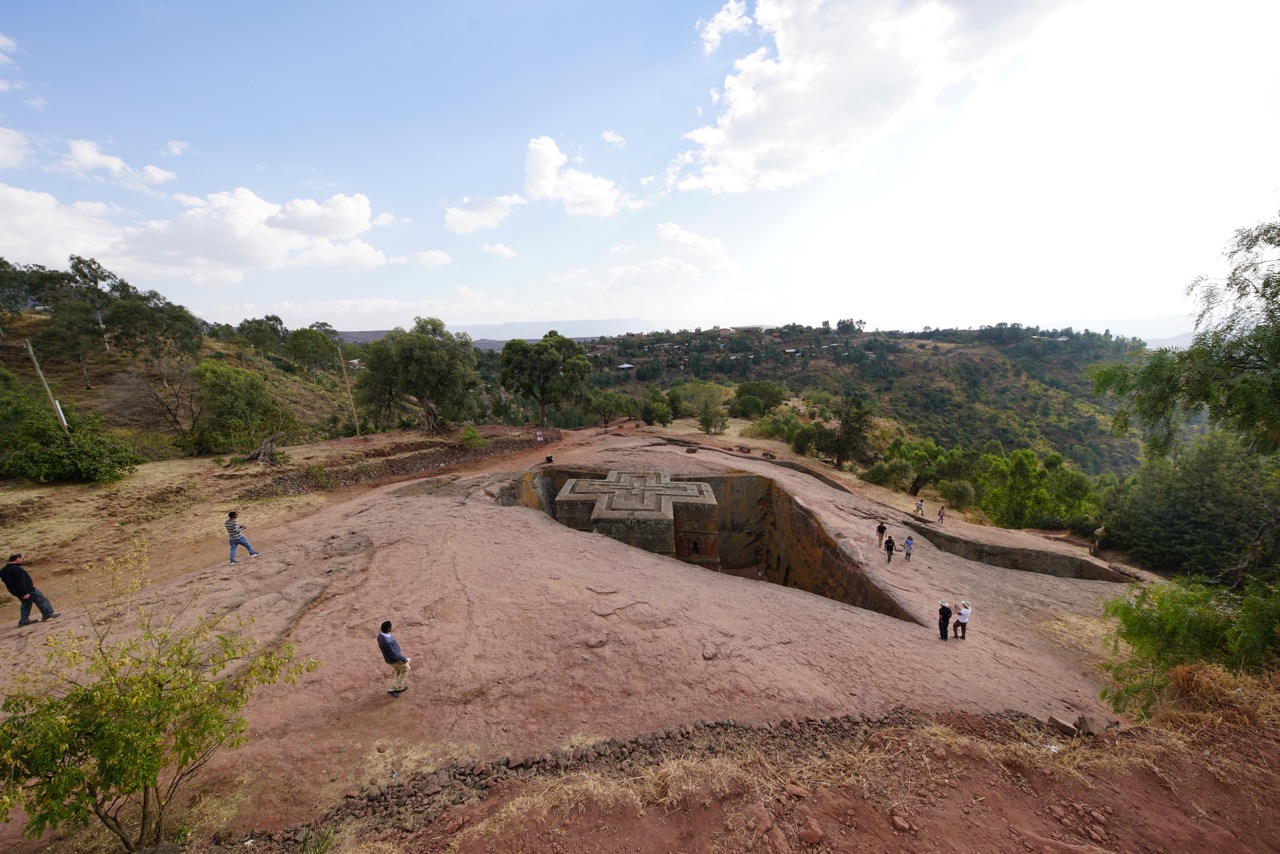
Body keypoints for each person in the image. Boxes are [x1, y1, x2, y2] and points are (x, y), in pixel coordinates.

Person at [2, 553, 59, 627]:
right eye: (22, 558)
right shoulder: (16, 569)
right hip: (27, 590)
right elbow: (20, 582)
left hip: (16, 592)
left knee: (26, 603)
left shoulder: (4, 570)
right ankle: (48, 615)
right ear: (17, 559)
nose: (22, 560)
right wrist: (25, 592)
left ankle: (24, 620)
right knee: (41, 599)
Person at [378, 620, 411, 696]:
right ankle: (394, 689)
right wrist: (403, 659)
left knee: (399, 670)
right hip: (394, 660)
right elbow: (393, 654)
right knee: (406, 669)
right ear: (388, 629)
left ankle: (400, 687)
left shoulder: (380, 636)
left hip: (388, 659)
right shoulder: (387, 642)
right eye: (391, 627)